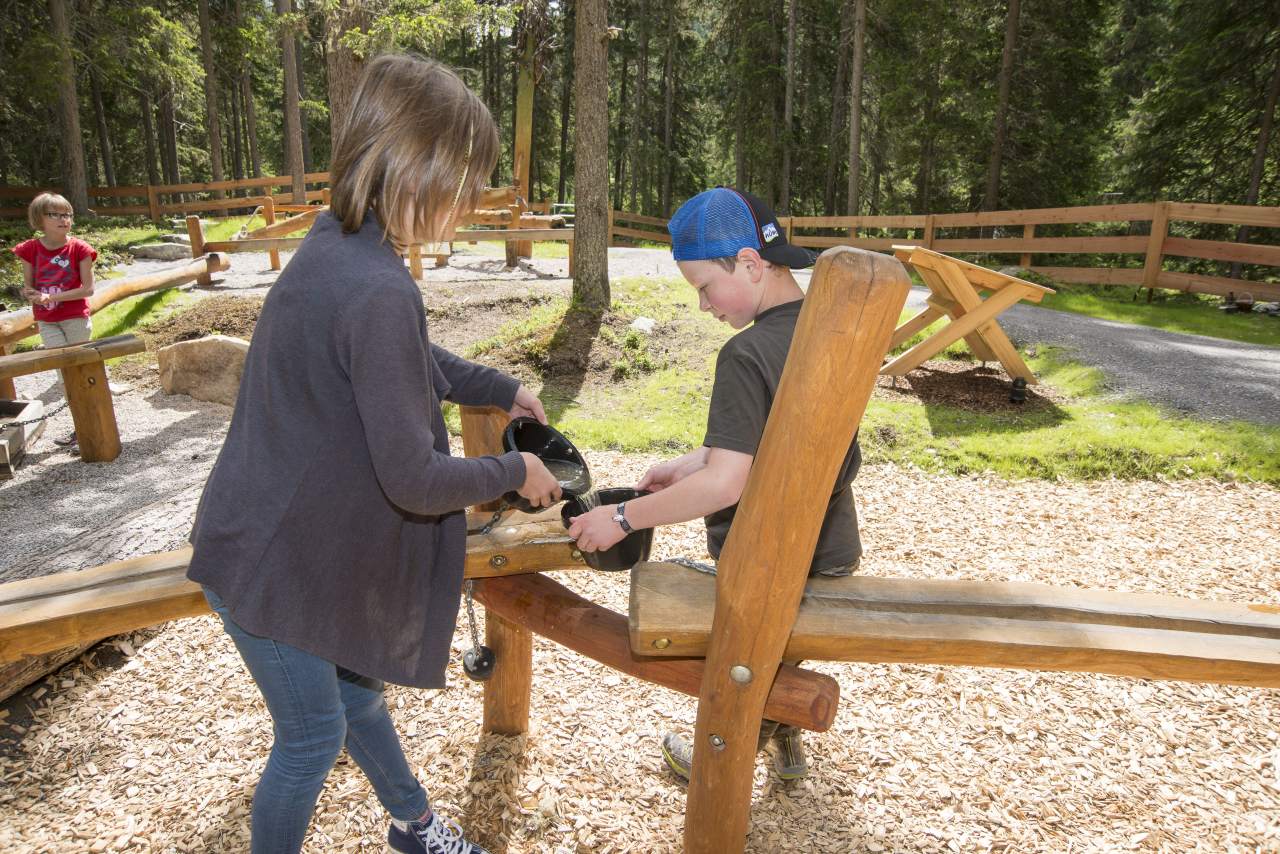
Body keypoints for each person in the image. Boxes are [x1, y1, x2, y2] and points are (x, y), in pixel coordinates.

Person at [187, 54, 560, 854]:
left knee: (358, 692)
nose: (472, 198)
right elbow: (416, 479)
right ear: (414, 162)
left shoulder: (342, 246)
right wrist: (515, 471)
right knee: (312, 740)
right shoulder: (377, 285)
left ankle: (413, 824)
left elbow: (409, 359)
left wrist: (496, 386)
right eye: (465, 176)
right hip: (272, 567)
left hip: (279, 538)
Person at [566, 187, 864, 783]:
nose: (703, 305)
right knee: (777, 649)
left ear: (751, 264)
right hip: (830, 550)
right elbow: (780, 434)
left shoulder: (745, 353)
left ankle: (725, 751)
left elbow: (728, 484)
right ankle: (784, 739)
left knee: (741, 662)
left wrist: (625, 519)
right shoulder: (822, 327)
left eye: (704, 287)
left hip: (768, 565)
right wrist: (690, 462)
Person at [13, 192, 97, 447]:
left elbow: (88, 289)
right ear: (40, 219)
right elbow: (28, 287)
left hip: (74, 318)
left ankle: (92, 426)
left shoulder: (80, 249)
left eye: (67, 214)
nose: (64, 219)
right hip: (47, 320)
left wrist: (50, 297)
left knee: (82, 370)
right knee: (64, 375)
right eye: (56, 215)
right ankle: (80, 429)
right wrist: (32, 294)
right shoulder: (30, 249)